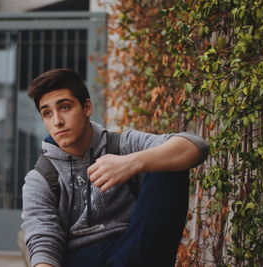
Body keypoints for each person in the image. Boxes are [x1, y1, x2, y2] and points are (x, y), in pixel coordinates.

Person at [21, 69, 209, 267]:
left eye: (65, 107)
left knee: (169, 164)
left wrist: (131, 163)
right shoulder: (41, 178)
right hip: (80, 259)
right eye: (47, 113)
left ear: (87, 108)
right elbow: (43, 240)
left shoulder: (122, 146)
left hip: (133, 251)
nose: (57, 121)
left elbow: (196, 145)